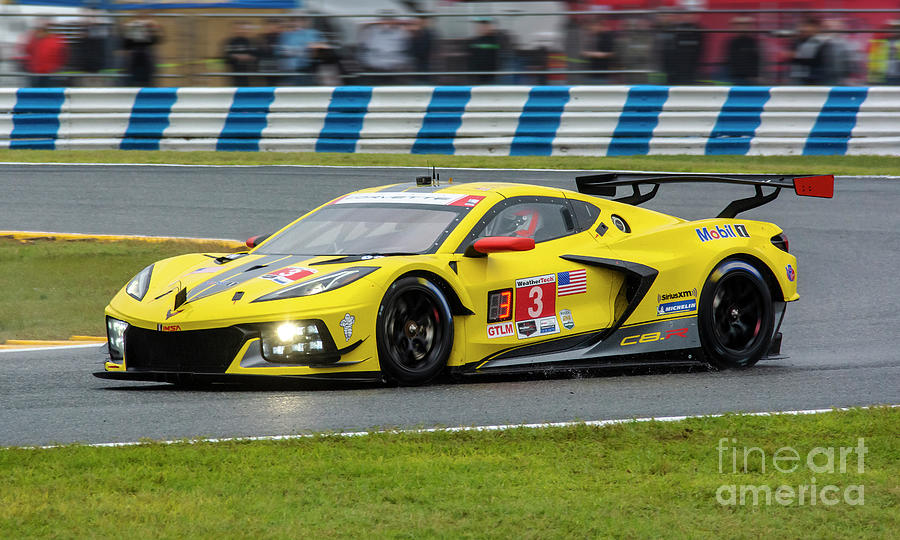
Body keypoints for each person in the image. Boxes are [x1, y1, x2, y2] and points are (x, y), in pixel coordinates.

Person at [356, 12, 411, 85]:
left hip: (395, 72)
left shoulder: (401, 33)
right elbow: (363, 49)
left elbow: (406, 51)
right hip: (374, 70)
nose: (387, 24)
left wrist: (401, 65)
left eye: (390, 21)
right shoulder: (371, 32)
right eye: (385, 20)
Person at [279, 15, 324, 86]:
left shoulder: (313, 33)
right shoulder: (286, 35)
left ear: (306, 22)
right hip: (290, 71)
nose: (297, 23)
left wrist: (313, 48)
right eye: (294, 20)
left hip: (310, 71)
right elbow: (281, 51)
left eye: (301, 20)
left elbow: (322, 48)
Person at [23, 20, 68, 87]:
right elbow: (27, 50)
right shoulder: (36, 40)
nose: (38, 32)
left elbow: (63, 55)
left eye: (39, 31)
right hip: (37, 72)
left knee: (46, 91)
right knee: (37, 91)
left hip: (49, 72)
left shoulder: (55, 40)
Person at [789, 17, 831, 85]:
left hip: (816, 79)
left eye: (807, 26)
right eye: (803, 26)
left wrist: (794, 55)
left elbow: (810, 57)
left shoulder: (819, 41)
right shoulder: (797, 41)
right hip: (799, 77)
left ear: (815, 28)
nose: (804, 29)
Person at [122, 17, 162, 87]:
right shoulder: (133, 39)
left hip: (145, 66)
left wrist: (154, 28)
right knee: (134, 85)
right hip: (136, 66)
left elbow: (157, 40)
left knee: (147, 86)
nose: (140, 29)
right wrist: (128, 30)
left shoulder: (148, 39)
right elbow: (126, 45)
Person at [724, 16, 760, 86]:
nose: (742, 27)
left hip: (750, 79)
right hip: (735, 78)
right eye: (739, 25)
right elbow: (729, 61)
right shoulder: (731, 42)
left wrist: (754, 76)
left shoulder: (753, 42)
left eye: (745, 25)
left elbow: (757, 60)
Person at [466, 17, 502, 85]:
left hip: (492, 77)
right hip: (477, 77)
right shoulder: (474, 41)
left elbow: (499, 57)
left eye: (486, 26)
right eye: (481, 26)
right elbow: (471, 59)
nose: (483, 28)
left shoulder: (495, 40)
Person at [581, 16, 616, 84]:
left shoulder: (607, 36)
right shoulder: (593, 37)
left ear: (598, 26)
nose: (590, 29)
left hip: (602, 74)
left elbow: (610, 54)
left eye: (592, 26)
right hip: (590, 74)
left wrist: (589, 54)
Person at [223, 22, 259, 87]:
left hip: (249, 74)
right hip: (234, 74)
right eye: (238, 28)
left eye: (242, 28)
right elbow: (226, 58)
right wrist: (236, 57)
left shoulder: (251, 41)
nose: (240, 30)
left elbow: (257, 56)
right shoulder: (230, 42)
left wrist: (249, 57)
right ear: (234, 29)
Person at [407, 16, 435, 84]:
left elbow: (421, 52)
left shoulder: (428, 34)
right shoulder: (418, 33)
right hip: (417, 66)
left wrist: (414, 36)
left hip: (424, 67)